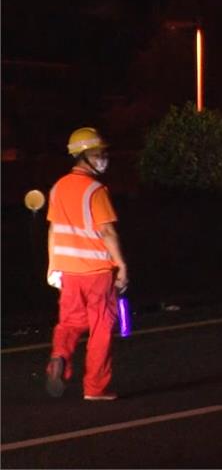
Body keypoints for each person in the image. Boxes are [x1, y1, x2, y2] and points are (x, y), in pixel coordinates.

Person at [45, 127, 128, 400]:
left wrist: (52, 265)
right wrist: (121, 266)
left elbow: (54, 230)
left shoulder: (58, 187)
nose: (104, 158)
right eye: (99, 154)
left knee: (69, 322)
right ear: (84, 156)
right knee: (101, 327)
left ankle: (60, 356)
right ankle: (95, 387)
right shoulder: (95, 190)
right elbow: (107, 232)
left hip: (68, 270)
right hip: (97, 271)